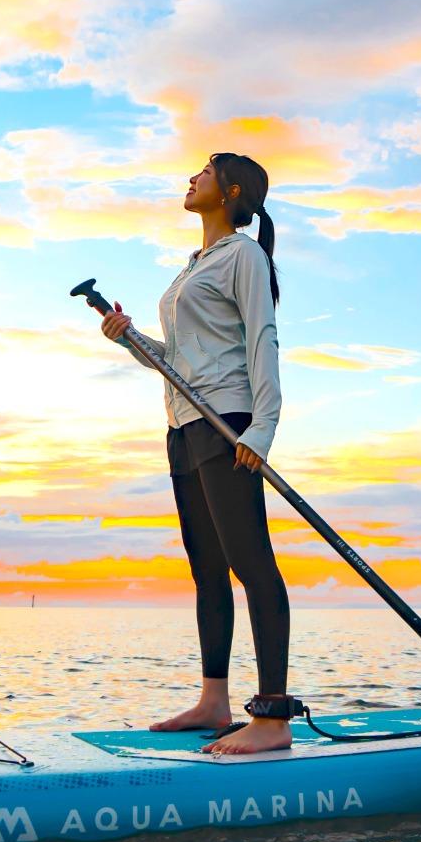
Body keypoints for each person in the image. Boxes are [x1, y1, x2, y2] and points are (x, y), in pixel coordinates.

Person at [94, 152, 297, 755]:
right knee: (207, 571)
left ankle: (273, 717)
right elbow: (179, 364)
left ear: (231, 191)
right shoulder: (191, 267)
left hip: (227, 423)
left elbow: (262, 337)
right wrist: (130, 338)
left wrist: (262, 429)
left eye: (204, 172)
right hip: (183, 427)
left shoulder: (243, 255)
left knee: (251, 564)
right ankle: (215, 701)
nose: (191, 178)